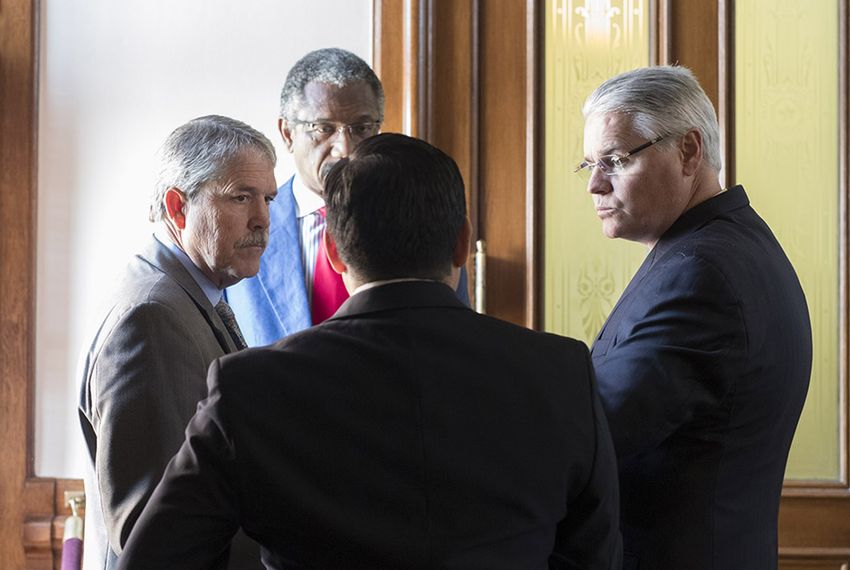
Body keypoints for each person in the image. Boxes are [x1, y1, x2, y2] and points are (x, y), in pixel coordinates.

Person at [116, 133, 622, 569]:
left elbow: (157, 559)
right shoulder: (561, 372)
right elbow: (594, 556)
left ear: (334, 251)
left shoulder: (250, 388)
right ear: (462, 245)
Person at [578, 65, 812, 568]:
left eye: (614, 160)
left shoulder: (700, 273)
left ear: (688, 151)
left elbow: (598, 430)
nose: (595, 185)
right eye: (589, 165)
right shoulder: (730, 246)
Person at [77, 115, 277, 570]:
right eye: (241, 197)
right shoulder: (150, 316)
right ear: (178, 207)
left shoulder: (186, 293)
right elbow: (153, 530)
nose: (263, 219)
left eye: (267, 198)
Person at [225, 47, 469, 347]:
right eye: (323, 129)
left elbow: (454, 336)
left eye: (362, 128)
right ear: (287, 133)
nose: (345, 148)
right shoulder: (241, 222)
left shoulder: (420, 218)